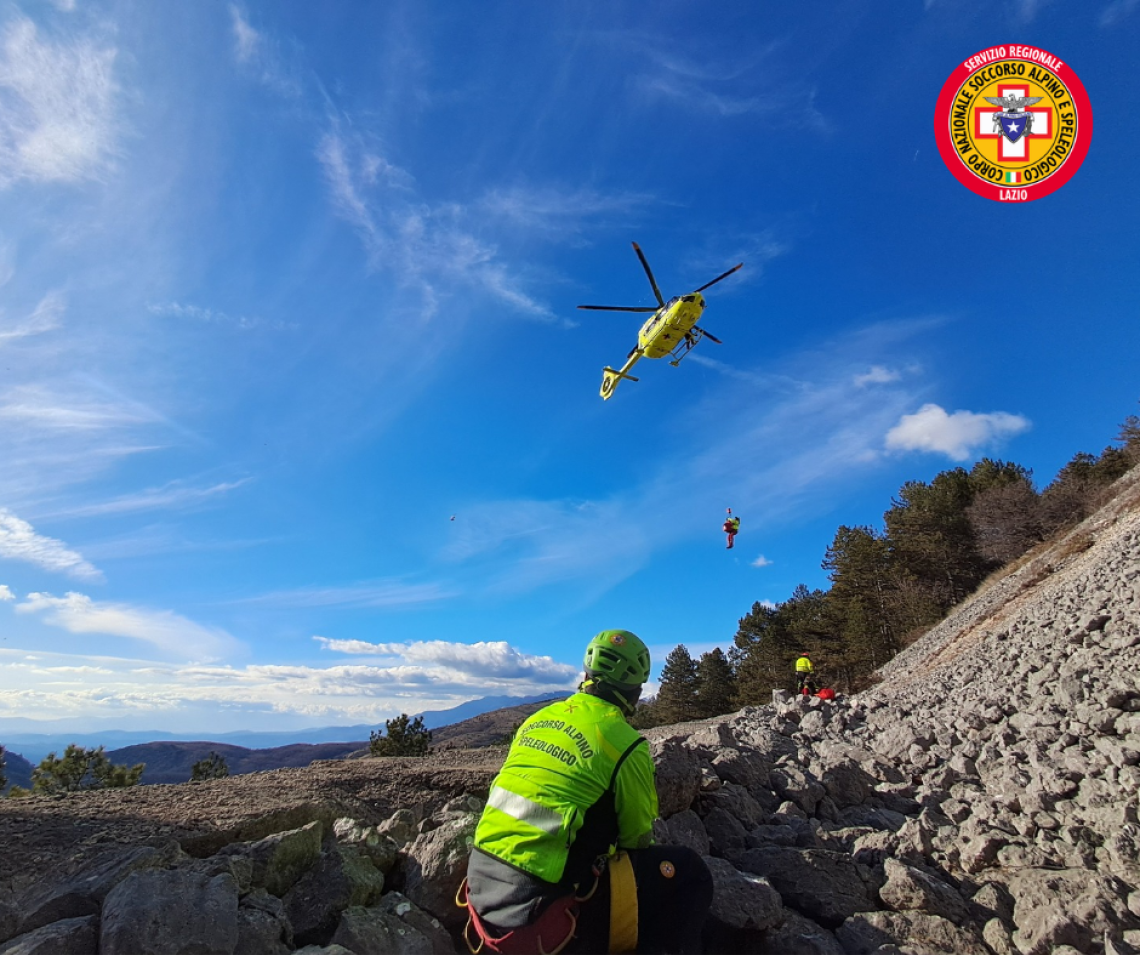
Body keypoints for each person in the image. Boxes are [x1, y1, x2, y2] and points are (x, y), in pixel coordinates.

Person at [460, 629, 713, 954]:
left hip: (482, 891)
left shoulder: (536, 720)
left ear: (586, 674)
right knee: (690, 873)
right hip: (539, 908)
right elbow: (636, 839)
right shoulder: (625, 744)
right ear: (634, 688)